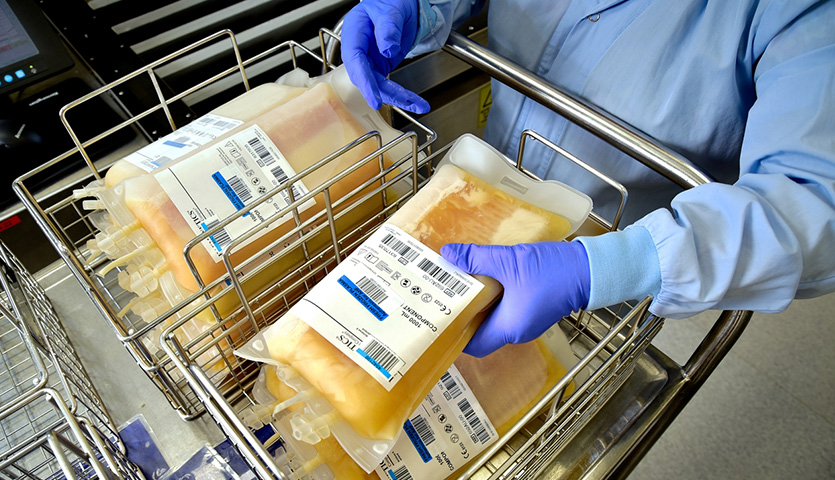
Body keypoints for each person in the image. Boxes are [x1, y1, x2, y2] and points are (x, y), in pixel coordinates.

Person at [340, 0, 835, 357]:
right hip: (480, 194)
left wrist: (604, 270)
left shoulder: (802, 14)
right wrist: (421, 6)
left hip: (600, 266)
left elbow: (814, 203)